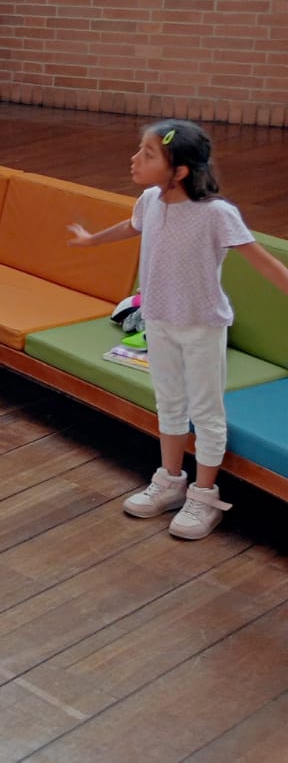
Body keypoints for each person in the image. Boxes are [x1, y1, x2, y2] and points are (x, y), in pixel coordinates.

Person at [68, 120, 288, 540]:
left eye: (148, 154)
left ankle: (204, 495)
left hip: (201, 327)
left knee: (205, 412)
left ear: (180, 170)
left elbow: (263, 262)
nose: (135, 159)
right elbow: (132, 227)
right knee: (168, 402)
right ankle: (170, 481)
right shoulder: (150, 200)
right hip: (159, 322)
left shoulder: (216, 214)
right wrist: (91, 241)